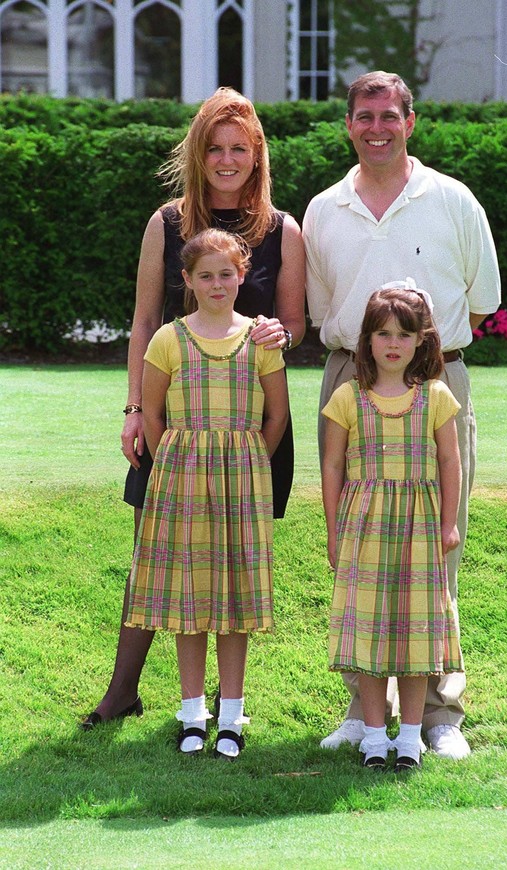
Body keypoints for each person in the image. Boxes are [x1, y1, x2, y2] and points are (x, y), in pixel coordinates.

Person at [82, 87, 305, 729]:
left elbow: (295, 324)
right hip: (173, 427)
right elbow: (145, 318)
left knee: (228, 564)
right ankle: (123, 690)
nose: (227, 160)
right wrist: (133, 409)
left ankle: (223, 711)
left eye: (240, 148)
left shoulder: (281, 228)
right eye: (215, 148)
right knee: (154, 553)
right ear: (198, 153)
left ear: (256, 153)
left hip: (246, 433)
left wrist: (276, 337)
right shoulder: (168, 222)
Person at [303, 71, 501, 759]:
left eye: (389, 115)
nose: (376, 127)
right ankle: (364, 712)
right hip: (350, 382)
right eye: (364, 116)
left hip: (436, 380)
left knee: (434, 554)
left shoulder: (451, 199)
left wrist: (418, 357)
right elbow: (323, 309)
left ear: (410, 121)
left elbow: (481, 302)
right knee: (362, 554)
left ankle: (441, 716)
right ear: (349, 124)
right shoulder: (325, 208)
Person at [124, 228, 289, 758]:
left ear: (242, 275)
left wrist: (247, 462)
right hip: (181, 482)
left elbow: (277, 414)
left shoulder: (259, 339)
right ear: (187, 281)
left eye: (226, 274)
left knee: (234, 598)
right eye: (205, 276)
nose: (217, 284)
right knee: (189, 597)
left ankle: (232, 717)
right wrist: (174, 464)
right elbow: (152, 413)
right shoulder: (169, 339)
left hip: (241, 481)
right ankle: (192, 712)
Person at [322, 287, 464, 772]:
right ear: (366, 339)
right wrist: (333, 531)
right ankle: (374, 736)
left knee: (414, 632)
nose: (393, 343)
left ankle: (410, 738)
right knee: (371, 630)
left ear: (421, 342)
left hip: (420, 530)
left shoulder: (436, 397)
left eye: (404, 334)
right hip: (365, 528)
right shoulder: (348, 397)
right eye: (383, 333)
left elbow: (450, 461)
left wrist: (448, 524)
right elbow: (332, 465)